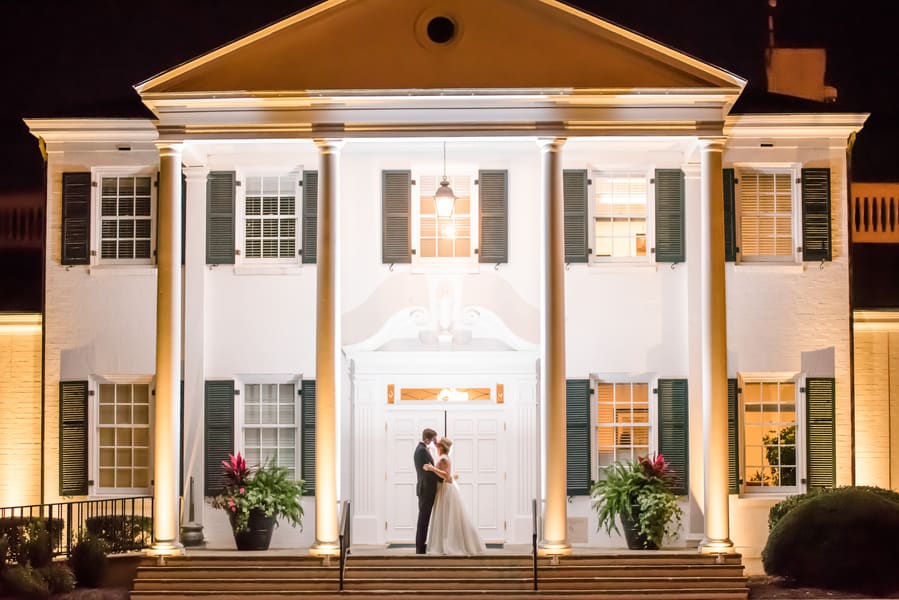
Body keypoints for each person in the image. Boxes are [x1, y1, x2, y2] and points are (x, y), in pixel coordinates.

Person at [423, 437, 487, 555]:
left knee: (448, 516)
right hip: (446, 488)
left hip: (446, 489)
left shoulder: (443, 458)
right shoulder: (445, 457)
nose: (436, 447)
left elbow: (446, 476)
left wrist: (431, 468)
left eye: (438, 446)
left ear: (442, 448)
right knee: (448, 517)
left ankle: (449, 544)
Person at [414, 427, 440, 554]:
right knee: (423, 519)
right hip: (426, 489)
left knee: (423, 519)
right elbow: (428, 472)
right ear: (427, 439)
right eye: (433, 438)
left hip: (424, 488)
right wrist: (442, 479)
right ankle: (420, 547)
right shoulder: (422, 451)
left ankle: (421, 545)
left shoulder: (421, 450)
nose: (435, 441)